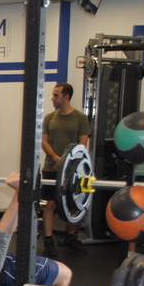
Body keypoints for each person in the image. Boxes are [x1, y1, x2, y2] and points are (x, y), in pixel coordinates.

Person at [40, 82, 91, 257]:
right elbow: (44, 142)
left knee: (74, 203)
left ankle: (70, 237)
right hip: (51, 166)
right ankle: (48, 240)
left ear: (66, 97)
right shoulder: (49, 118)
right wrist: (56, 158)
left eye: (56, 95)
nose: (52, 98)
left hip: (73, 169)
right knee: (50, 204)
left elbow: (82, 145)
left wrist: (67, 163)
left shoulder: (80, 118)